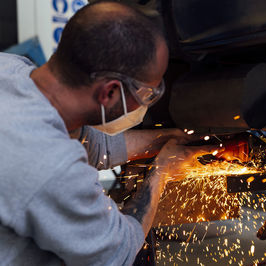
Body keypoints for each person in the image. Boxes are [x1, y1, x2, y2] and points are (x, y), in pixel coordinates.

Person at [0, 1, 214, 265]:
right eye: (147, 93)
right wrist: (161, 173)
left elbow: (91, 144)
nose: (146, 102)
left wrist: (164, 140)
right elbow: (118, 252)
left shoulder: (9, 68)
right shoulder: (51, 165)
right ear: (110, 92)